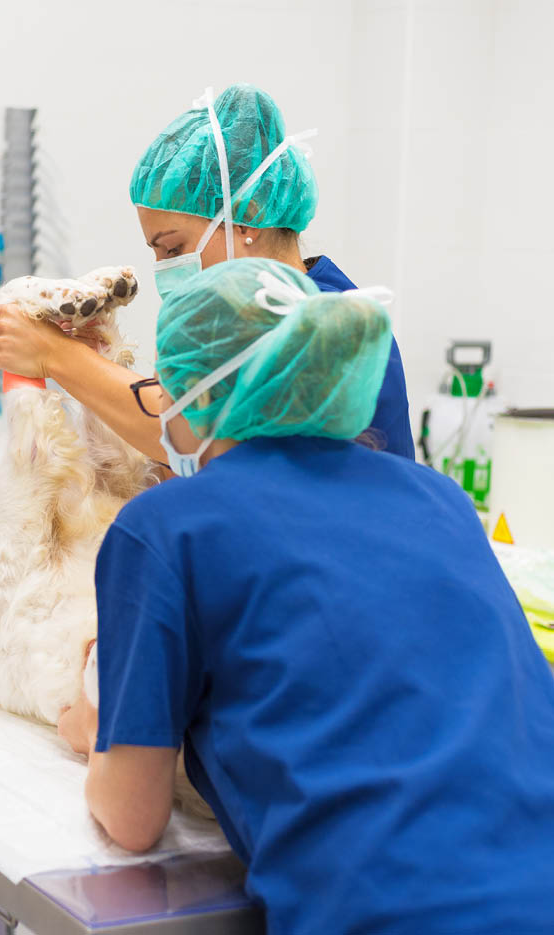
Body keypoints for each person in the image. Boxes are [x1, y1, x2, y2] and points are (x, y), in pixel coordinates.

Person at [58, 258, 554, 935]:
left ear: (197, 394)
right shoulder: (437, 497)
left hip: (389, 912)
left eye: (162, 395)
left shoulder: (169, 525)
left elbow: (130, 817)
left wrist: (89, 721)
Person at [0, 84, 414, 461]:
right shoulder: (240, 321)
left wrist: (56, 356)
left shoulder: (322, 322)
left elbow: (192, 432)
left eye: (174, 248)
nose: (166, 270)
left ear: (248, 217)